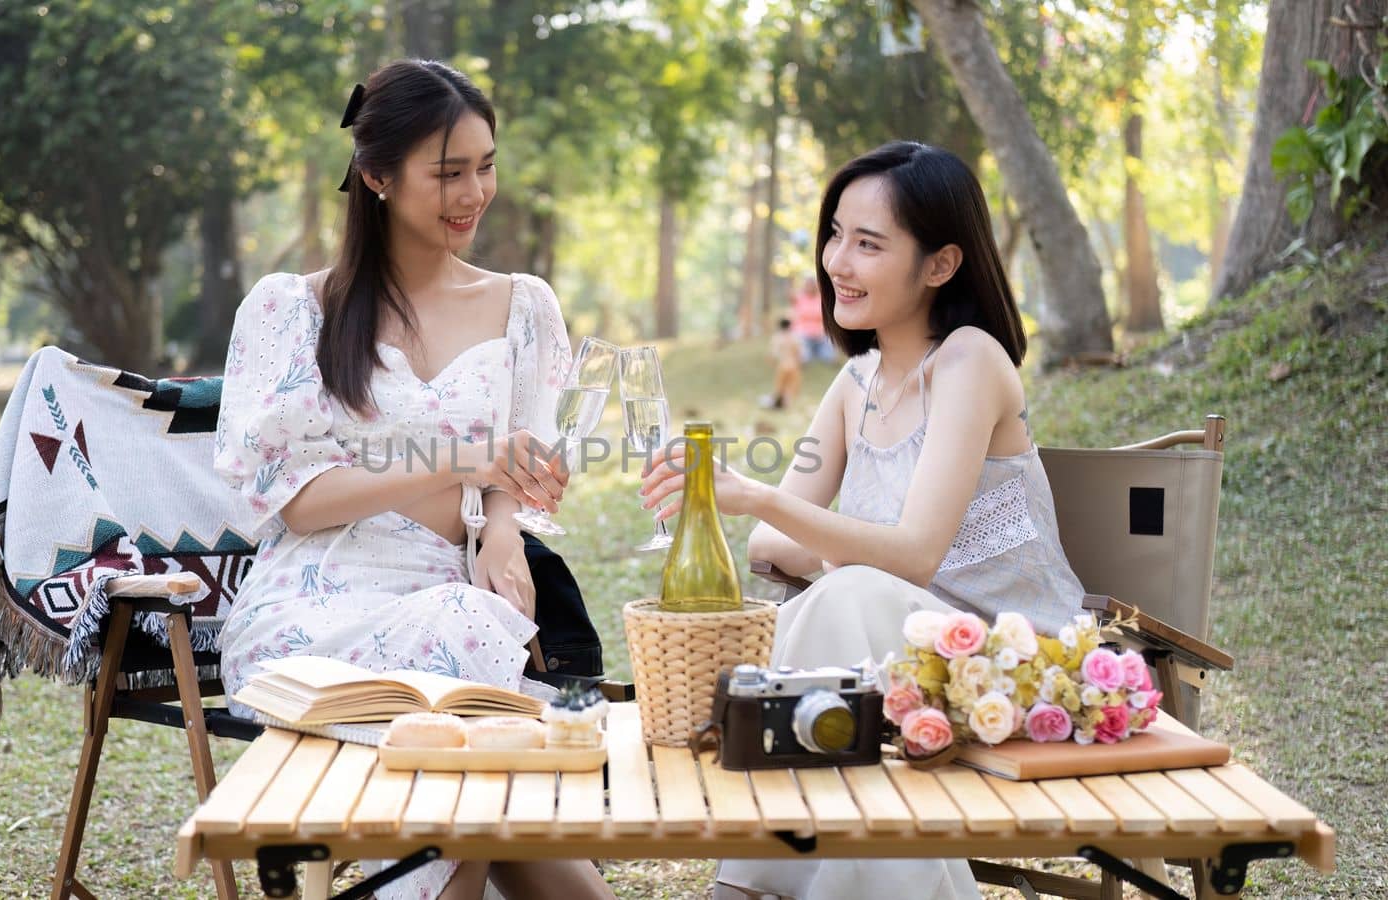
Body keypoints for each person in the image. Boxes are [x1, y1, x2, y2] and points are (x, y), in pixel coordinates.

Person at [639, 141, 1087, 900]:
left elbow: (909, 557)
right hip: (891, 662)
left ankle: (745, 887)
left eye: (869, 244)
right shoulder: (856, 383)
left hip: (1008, 667)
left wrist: (774, 504)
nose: (837, 261)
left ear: (941, 265)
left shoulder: (969, 362)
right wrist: (823, 539)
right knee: (841, 624)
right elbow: (765, 546)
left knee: (842, 603)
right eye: (836, 234)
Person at [214, 60, 613, 900]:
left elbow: (524, 468)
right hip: (314, 616)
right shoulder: (296, 310)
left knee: (474, 765)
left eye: (485, 165)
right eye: (447, 173)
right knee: (480, 720)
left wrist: (502, 524)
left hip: (452, 592)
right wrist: (452, 460)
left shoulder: (523, 305)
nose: (474, 193)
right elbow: (298, 504)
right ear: (375, 176)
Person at [790, 274, 837, 363]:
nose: (810, 286)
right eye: (808, 284)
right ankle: (810, 352)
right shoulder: (798, 298)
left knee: (829, 357)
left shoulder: (822, 298)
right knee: (804, 358)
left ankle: (816, 351)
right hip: (802, 334)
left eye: (812, 284)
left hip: (820, 335)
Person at [768, 316, 802, 409]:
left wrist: (772, 363)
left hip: (782, 365)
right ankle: (786, 404)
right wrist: (799, 363)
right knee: (790, 387)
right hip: (793, 365)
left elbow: (773, 353)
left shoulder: (777, 338)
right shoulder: (794, 337)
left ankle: (778, 403)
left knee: (780, 386)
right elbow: (798, 352)